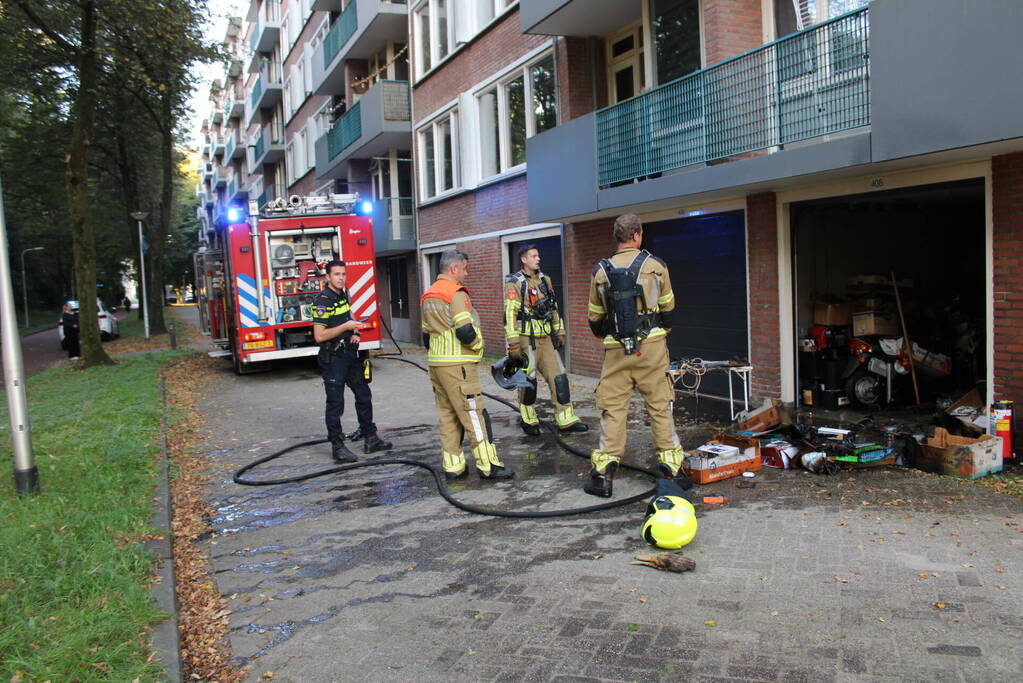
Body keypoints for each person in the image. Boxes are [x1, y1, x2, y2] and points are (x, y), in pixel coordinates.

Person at [583, 214, 688, 497]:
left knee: (613, 409)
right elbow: (669, 310)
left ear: (617, 237)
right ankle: (672, 471)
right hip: (652, 348)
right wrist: (657, 333)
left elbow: (595, 319)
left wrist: (612, 335)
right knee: (659, 406)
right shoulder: (657, 266)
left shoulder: (600, 272)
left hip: (615, 350)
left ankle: (603, 476)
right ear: (637, 235)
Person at [421, 250, 513, 480]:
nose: (466, 273)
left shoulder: (429, 294)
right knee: (473, 414)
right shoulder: (455, 293)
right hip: (459, 365)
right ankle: (488, 465)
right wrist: (478, 345)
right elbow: (464, 330)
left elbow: (425, 335)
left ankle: (453, 466)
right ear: (454, 269)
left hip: (436, 365)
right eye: (464, 268)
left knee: (447, 415)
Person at [312, 260, 391, 462]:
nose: (341, 278)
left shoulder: (343, 294)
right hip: (334, 358)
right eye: (337, 274)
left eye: (343, 274)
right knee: (335, 403)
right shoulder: (322, 301)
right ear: (327, 277)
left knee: (363, 394)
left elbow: (349, 314)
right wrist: (346, 327)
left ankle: (370, 438)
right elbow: (319, 336)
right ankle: (337, 447)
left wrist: (354, 331)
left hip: (349, 354)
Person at [504, 244, 587, 435]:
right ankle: (529, 420)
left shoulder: (545, 280)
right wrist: (513, 344)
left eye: (538, 255)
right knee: (529, 381)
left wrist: (560, 331)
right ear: (524, 259)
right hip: (526, 340)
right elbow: (509, 314)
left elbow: (553, 307)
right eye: (534, 256)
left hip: (546, 339)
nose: (538, 259)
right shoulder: (514, 283)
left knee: (559, 377)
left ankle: (566, 419)